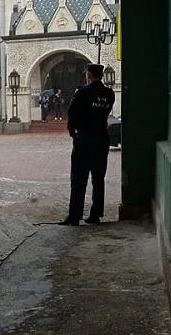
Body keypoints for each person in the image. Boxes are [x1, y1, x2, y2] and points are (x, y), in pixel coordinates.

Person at [59, 64, 115, 226]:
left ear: (89, 75)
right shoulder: (109, 94)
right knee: (98, 179)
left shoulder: (82, 92)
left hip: (84, 141)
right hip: (101, 141)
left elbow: (72, 113)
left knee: (78, 179)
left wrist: (73, 133)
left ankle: (74, 216)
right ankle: (96, 214)